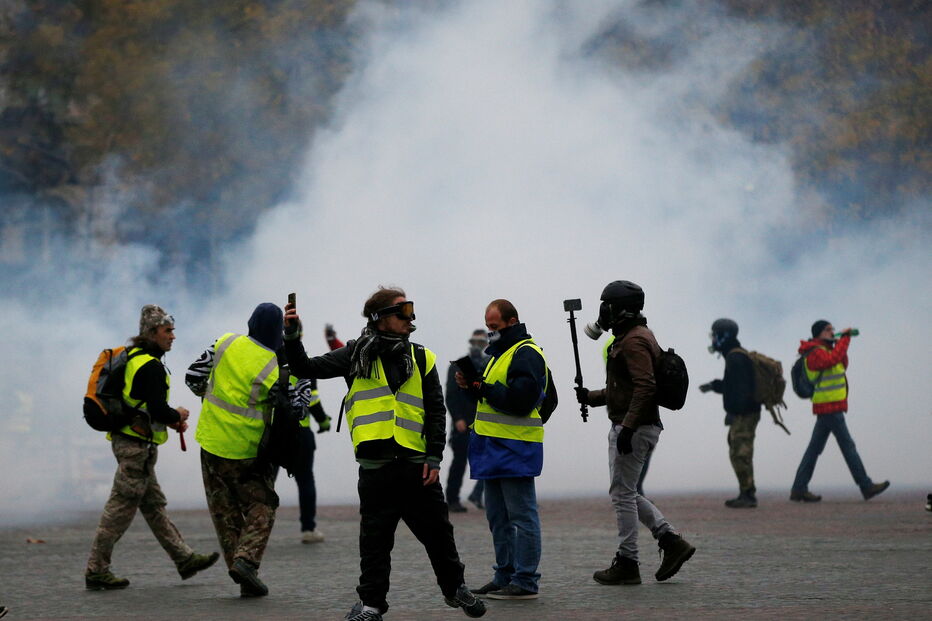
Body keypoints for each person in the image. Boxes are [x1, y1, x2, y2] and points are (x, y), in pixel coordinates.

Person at [284, 287, 485, 621]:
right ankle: (371, 605)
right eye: (402, 311)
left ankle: (455, 589)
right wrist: (292, 334)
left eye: (411, 309)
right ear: (380, 318)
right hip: (375, 468)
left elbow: (436, 411)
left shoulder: (422, 357)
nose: (411, 318)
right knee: (374, 544)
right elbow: (303, 366)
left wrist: (434, 458)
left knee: (439, 537)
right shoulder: (354, 354)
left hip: (417, 467)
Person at [85, 305, 219, 590]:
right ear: (152, 332)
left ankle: (184, 558)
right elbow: (158, 409)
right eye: (167, 331)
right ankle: (97, 569)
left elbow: (139, 404)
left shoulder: (134, 357)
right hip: (136, 449)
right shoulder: (152, 366)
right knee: (119, 509)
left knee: (154, 506)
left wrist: (166, 420)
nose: (173, 336)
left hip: (129, 441)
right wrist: (177, 416)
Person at [575, 281, 695, 586]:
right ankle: (670, 541)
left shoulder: (633, 341)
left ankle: (628, 561)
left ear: (618, 309)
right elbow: (625, 390)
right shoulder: (634, 336)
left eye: (606, 306)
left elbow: (645, 387)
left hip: (635, 427)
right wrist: (590, 396)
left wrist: (627, 428)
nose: (603, 312)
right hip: (636, 424)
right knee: (625, 492)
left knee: (622, 496)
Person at [185, 302, 293, 597]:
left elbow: (193, 376)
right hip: (246, 450)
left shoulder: (224, 342)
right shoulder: (274, 365)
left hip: (210, 442)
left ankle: (242, 572)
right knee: (263, 504)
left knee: (224, 512)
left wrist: (206, 396)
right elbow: (292, 408)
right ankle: (246, 562)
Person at [456, 299, 547, 600]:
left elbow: (522, 400)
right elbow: (493, 398)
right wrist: (471, 387)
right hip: (492, 448)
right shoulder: (499, 355)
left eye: (494, 326)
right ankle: (504, 575)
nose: (490, 332)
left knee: (522, 516)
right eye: (487, 326)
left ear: (512, 321)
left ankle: (525, 580)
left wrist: (481, 388)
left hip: (515, 448)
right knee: (497, 517)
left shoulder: (526, 353)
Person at [789, 320, 890, 502]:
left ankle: (798, 488)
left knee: (814, 449)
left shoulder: (826, 349)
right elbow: (830, 361)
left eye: (833, 330)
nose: (832, 332)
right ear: (818, 333)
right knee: (848, 446)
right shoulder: (814, 352)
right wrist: (844, 340)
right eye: (828, 330)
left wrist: (839, 344)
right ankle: (866, 486)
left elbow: (841, 363)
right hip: (828, 406)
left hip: (831, 406)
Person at [698, 318, 761, 508]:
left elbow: (741, 389)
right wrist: (714, 386)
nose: (713, 340)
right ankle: (746, 491)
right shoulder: (734, 355)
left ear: (725, 336)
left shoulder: (735, 358)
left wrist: (735, 411)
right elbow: (732, 385)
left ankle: (748, 495)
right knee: (738, 451)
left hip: (745, 414)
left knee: (740, 453)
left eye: (715, 335)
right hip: (745, 412)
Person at [445, 329, 490, 512]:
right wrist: (458, 419)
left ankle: (480, 496)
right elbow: (451, 395)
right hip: (463, 423)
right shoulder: (459, 365)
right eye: (475, 342)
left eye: (481, 343)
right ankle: (452, 499)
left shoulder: (490, 363)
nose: (477, 346)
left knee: (488, 461)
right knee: (459, 462)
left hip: (483, 421)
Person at [603, 335, 651, 497]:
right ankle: (637, 491)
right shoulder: (641, 340)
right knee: (638, 462)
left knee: (624, 489)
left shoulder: (624, 344)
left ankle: (635, 492)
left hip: (629, 418)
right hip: (640, 418)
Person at [295, 377, 331, 543]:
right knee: (305, 480)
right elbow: (312, 400)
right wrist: (323, 421)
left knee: (265, 482)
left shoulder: (268, 360)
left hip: (273, 433)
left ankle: (254, 527)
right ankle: (308, 529)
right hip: (300, 433)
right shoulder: (304, 365)